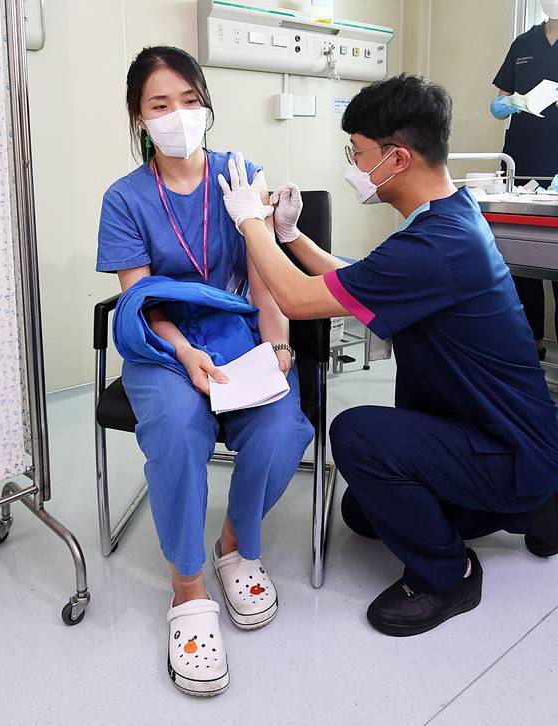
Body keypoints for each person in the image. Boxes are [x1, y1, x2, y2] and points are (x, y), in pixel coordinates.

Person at [217, 74, 558, 637]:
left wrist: (250, 222)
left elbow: (301, 301)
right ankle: (533, 507)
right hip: (493, 430)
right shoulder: (447, 217)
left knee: (356, 436)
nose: (351, 163)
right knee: (362, 514)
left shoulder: (437, 245)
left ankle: (448, 576)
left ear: (396, 158)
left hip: (505, 446)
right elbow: (359, 282)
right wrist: (291, 235)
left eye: (357, 152)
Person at [96, 46, 313, 696]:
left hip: (239, 333)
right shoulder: (125, 199)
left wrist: (274, 346)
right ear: (139, 117)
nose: (178, 116)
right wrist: (181, 352)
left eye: (189, 101)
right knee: (177, 427)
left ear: (207, 105)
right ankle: (187, 589)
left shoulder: (238, 174)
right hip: (165, 340)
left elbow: (264, 274)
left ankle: (231, 545)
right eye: (160, 105)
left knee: (281, 427)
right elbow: (140, 297)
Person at [491, 0, 558, 361]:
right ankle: (530, 344)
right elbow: (501, 99)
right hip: (521, 162)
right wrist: (505, 105)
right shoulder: (524, 43)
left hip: (556, 163)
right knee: (519, 258)